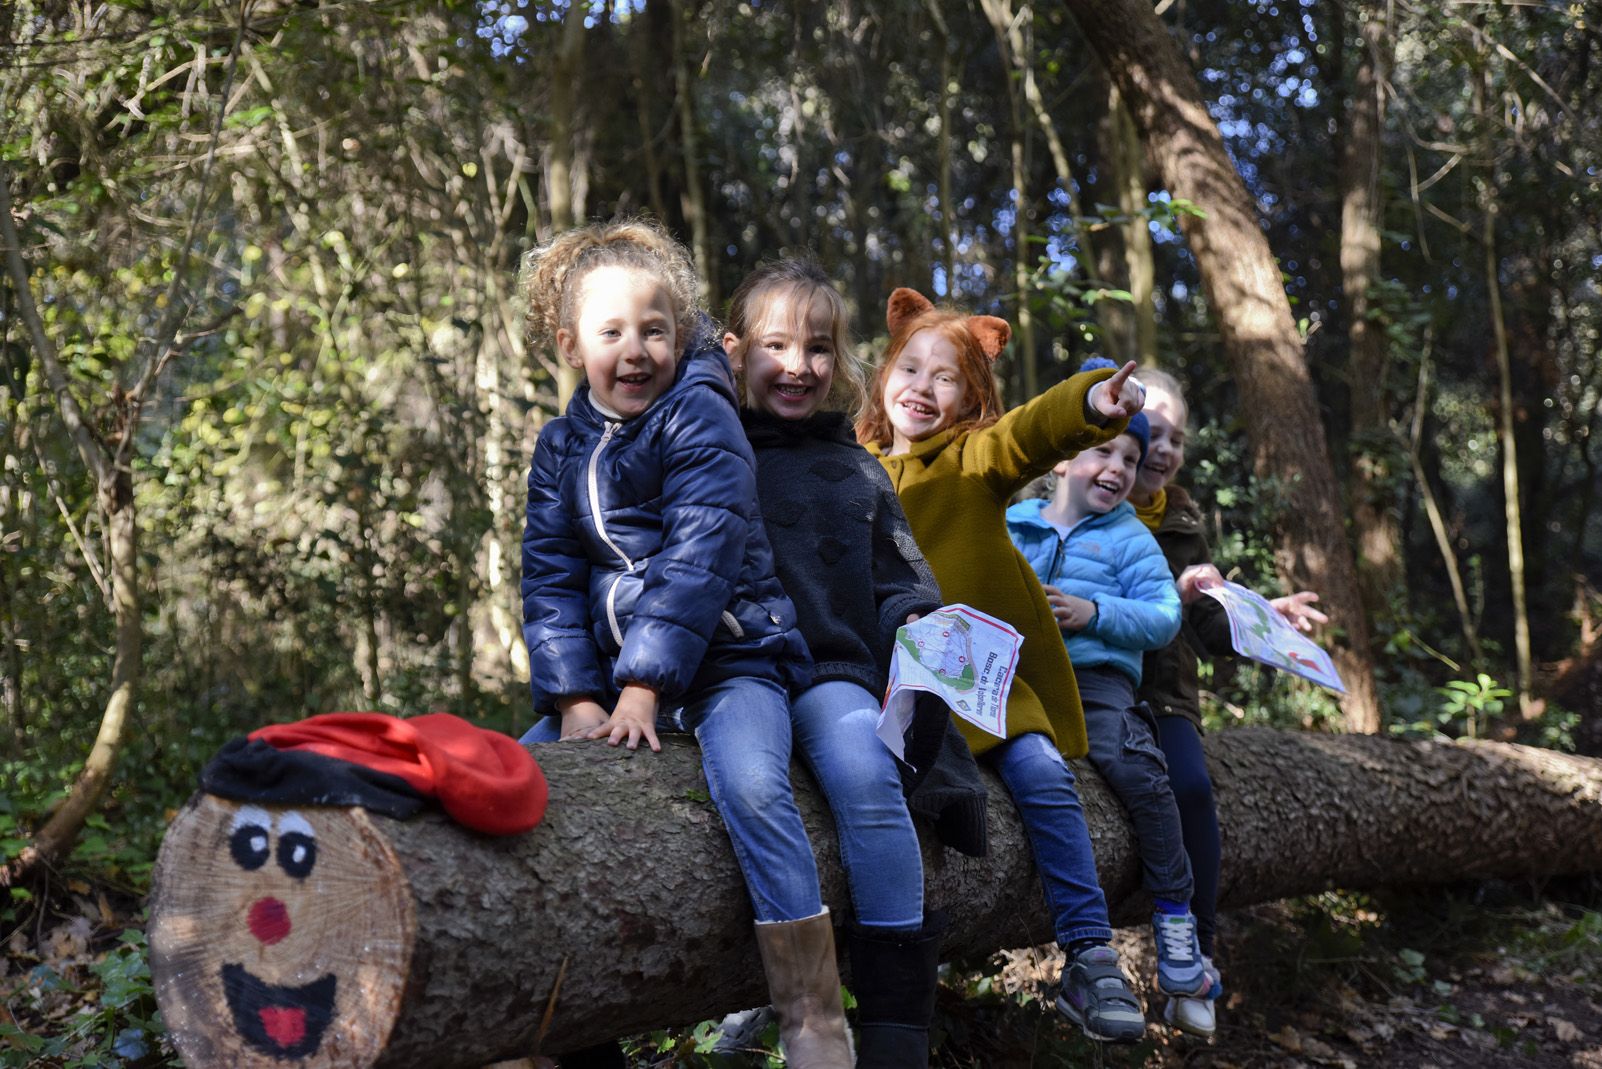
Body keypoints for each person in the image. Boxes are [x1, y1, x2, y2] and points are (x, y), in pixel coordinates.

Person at [516, 218, 850, 1068]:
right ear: (570, 344)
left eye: (655, 331)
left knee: (751, 783)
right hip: (619, 680)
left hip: (734, 658)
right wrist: (577, 697)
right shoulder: (561, 448)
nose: (637, 351)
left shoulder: (698, 415)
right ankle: (557, 1021)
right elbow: (550, 582)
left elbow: (702, 553)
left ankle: (811, 1009)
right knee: (517, 774)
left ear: (682, 335)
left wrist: (643, 688)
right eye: (612, 333)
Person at [855, 287, 1150, 1044]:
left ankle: (1089, 954)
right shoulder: (845, 467)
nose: (923, 386)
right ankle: (770, 992)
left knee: (1045, 773)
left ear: (969, 397)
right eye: (910, 367)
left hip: (979, 685)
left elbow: (1029, 433)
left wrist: (1095, 400)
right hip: (880, 686)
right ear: (884, 374)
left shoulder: (968, 460)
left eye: (945, 376)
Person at [1004, 356, 1215, 1019]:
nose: (1119, 467)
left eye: (1131, 456)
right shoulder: (1016, 524)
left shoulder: (1130, 539)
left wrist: (1094, 614)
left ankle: (1177, 923)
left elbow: (1163, 617)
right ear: (1062, 456)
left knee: (1144, 775)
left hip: (1097, 684)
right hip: (1016, 679)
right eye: (1104, 449)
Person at [1125, 366, 1326, 1038]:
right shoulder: (1085, 495)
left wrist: (1264, 617)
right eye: (1152, 429)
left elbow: (1211, 630)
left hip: (1166, 695)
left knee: (1192, 789)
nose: (1163, 447)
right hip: (1092, 686)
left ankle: (1197, 957)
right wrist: (1167, 595)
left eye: (1176, 437)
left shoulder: (1183, 519)